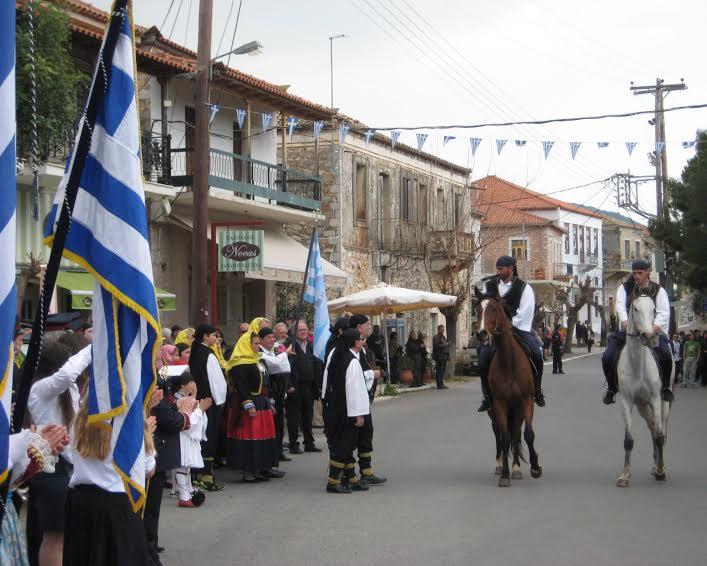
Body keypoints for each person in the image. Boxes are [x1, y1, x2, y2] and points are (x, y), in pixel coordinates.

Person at [63, 393, 158, 565]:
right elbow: (148, 469)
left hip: (80, 502)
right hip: (117, 505)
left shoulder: (78, 421)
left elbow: (71, 455)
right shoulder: (129, 422)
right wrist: (147, 434)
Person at [27, 338, 90, 566]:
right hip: (52, 467)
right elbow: (65, 376)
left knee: (69, 536)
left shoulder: (69, 390)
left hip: (72, 467)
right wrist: (95, 347)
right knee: (55, 538)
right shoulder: (40, 388)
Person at [478, 255, 546, 412]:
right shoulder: (489, 285)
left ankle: (537, 390)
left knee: (537, 354)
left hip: (519, 329)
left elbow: (526, 311)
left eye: (501, 269)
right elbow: (484, 306)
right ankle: (487, 396)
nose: (498, 271)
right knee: (482, 360)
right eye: (497, 269)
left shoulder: (524, 288)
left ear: (511, 268)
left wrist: (511, 323)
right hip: (494, 332)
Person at [601, 259, 673, 404]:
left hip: (653, 330)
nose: (636, 276)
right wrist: (625, 321)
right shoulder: (625, 288)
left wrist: (651, 329)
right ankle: (611, 388)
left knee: (666, 354)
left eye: (640, 273)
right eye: (634, 273)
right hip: (629, 330)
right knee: (607, 357)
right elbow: (620, 306)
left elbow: (664, 313)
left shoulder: (658, 290)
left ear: (648, 272)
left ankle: (665, 387)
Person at [144, 372, 193, 565]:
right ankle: (149, 551)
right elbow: (171, 421)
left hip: (158, 457)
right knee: (150, 508)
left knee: (153, 507)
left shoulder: (161, 398)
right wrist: (184, 414)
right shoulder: (157, 402)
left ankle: (152, 543)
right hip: (154, 456)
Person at [226, 327, 282, 481]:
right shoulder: (240, 363)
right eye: (256, 344)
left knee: (263, 436)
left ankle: (260, 468)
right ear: (246, 344)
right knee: (250, 437)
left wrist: (269, 401)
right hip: (249, 403)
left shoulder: (259, 360)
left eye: (258, 343)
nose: (258, 346)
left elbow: (266, 382)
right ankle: (248, 471)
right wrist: (248, 404)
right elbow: (241, 385)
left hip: (262, 402)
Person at [323, 329, 372, 493]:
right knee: (343, 446)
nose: (362, 341)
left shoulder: (339, 357)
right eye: (360, 339)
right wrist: (358, 414)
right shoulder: (351, 361)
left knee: (347, 444)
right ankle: (333, 481)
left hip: (338, 409)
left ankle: (352, 478)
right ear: (355, 342)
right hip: (347, 411)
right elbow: (354, 390)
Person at [188, 324, 227, 492]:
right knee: (209, 436)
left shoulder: (194, 351)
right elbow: (216, 380)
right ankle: (206, 476)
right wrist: (220, 401)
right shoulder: (208, 354)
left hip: (196, 401)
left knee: (198, 437)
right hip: (209, 401)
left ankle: (195, 475)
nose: (217, 338)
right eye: (214, 335)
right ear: (205, 336)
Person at [349, 314, 387, 486]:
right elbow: (351, 375)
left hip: (364, 400)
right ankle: (347, 474)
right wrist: (374, 373)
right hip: (353, 402)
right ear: (358, 327)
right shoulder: (348, 350)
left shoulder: (362, 347)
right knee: (351, 438)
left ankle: (366, 471)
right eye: (367, 324)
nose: (370, 327)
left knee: (366, 435)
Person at [171, 372, 210, 508]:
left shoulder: (186, 398)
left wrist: (199, 409)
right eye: (191, 382)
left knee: (186, 465)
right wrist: (200, 409)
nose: (194, 384)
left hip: (187, 437)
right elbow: (189, 421)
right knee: (182, 464)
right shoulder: (179, 400)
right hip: (182, 436)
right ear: (182, 385)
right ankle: (183, 495)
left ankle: (187, 491)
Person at [285, 320, 323, 454]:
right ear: (294, 332)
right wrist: (288, 385)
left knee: (308, 415)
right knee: (293, 417)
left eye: (305, 329)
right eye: (301, 330)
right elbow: (284, 366)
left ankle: (309, 443)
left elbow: (317, 365)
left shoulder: (311, 346)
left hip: (309, 386)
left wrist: (317, 385)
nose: (304, 332)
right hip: (295, 386)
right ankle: (293, 444)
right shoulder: (289, 346)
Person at [259, 325, 293, 462]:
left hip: (278, 392)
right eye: (269, 337)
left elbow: (285, 367)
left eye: (273, 337)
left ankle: (277, 452)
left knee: (279, 426)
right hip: (269, 394)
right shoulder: (260, 353)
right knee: (272, 426)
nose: (272, 340)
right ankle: (271, 456)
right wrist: (287, 353)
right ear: (260, 340)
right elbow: (276, 363)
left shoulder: (272, 351)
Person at [432, 324, 450, 390]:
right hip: (439, 356)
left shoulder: (443, 337)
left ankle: (441, 383)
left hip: (444, 356)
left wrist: (448, 344)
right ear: (439, 329)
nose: (443, 330)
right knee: (439, 370)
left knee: (442, 370)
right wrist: (446, 345)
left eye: (443, 329)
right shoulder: (436, 337)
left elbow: (446, 343)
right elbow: (437, 346)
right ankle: (439, 384)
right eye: (442, 329)